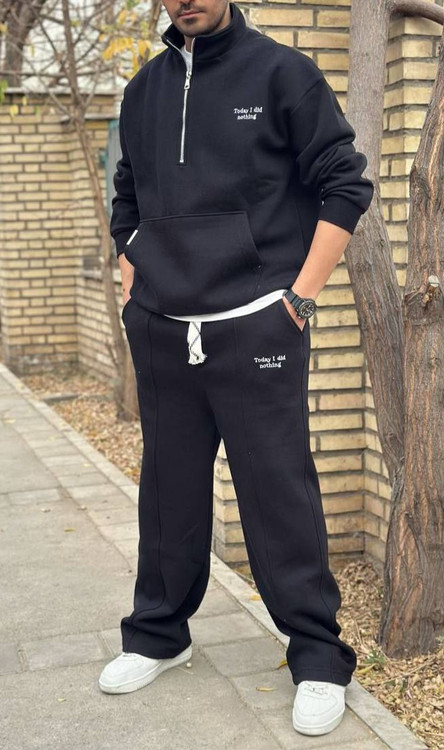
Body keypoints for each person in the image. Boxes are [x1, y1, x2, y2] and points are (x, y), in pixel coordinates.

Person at [99, 0, 374, 738]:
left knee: (278, 492)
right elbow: (128, 196)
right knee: (168, 492)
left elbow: (346, 185)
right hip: (163, 328)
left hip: (258, 324)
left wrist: (299, 300)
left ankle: (317, 658)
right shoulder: (143, 90)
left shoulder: (284, 73)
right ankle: (159, 634)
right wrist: (134, 281)